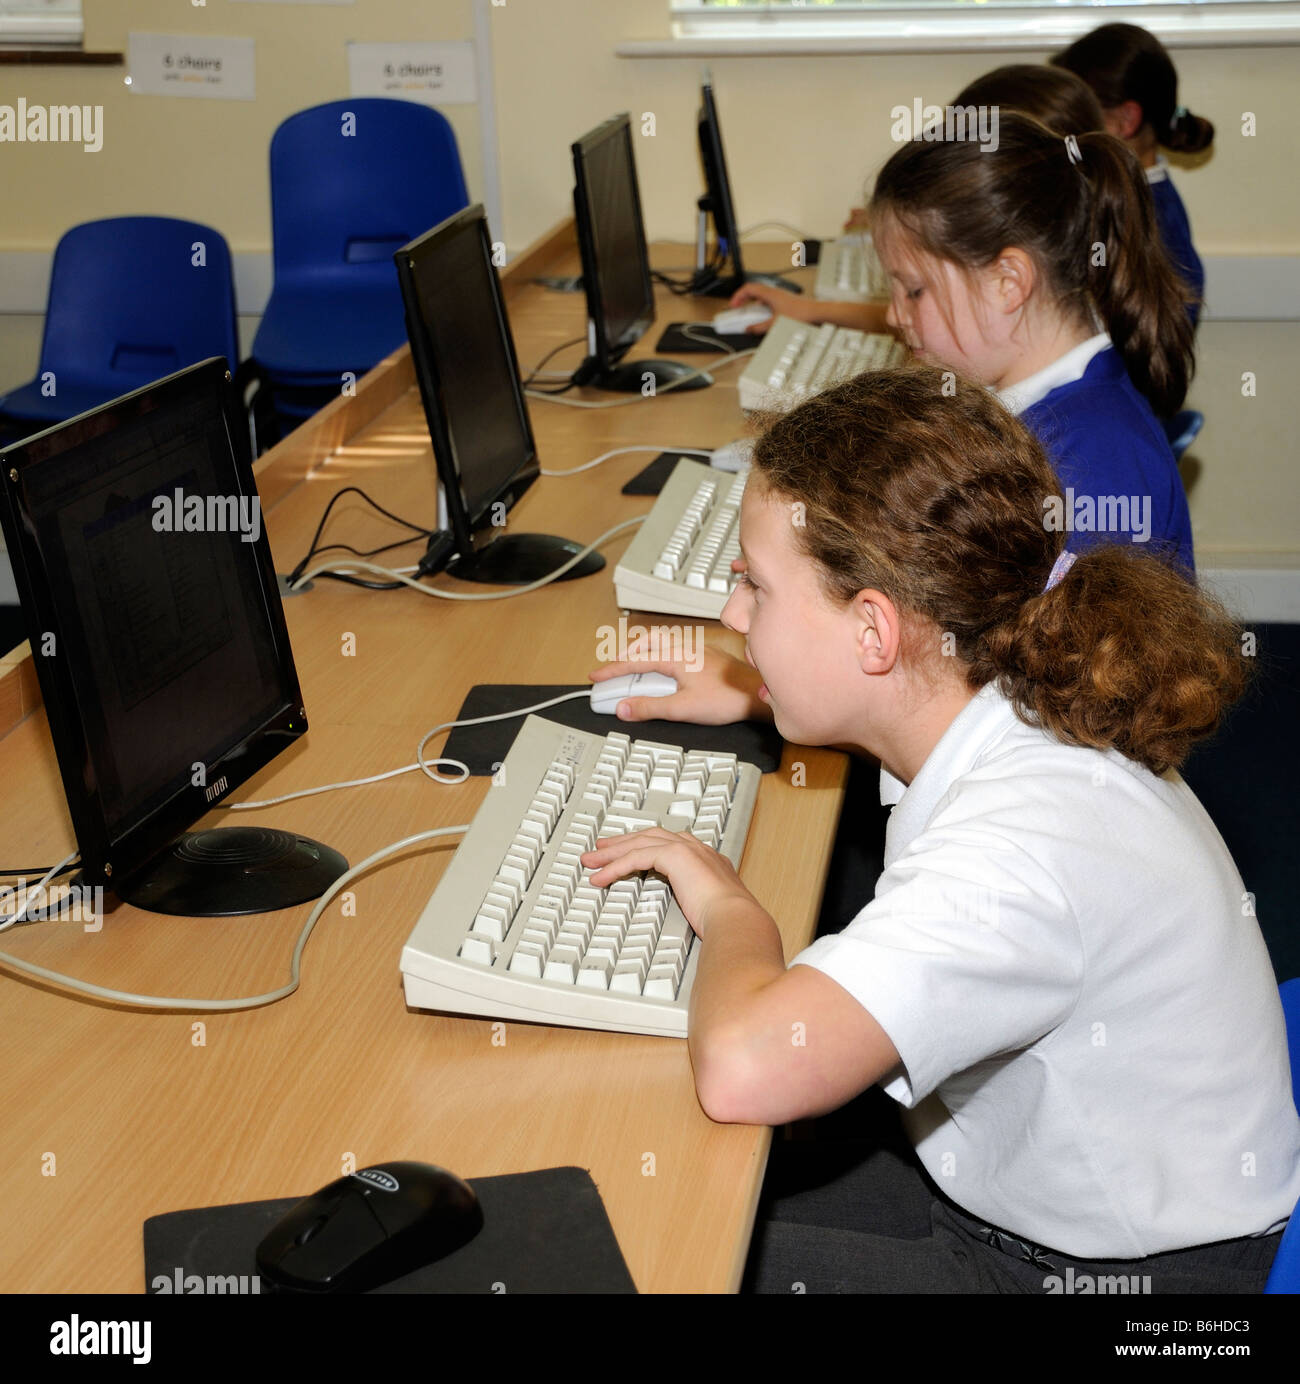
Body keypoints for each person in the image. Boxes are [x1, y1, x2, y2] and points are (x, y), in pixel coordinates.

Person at [584, 367, 1299, 1293]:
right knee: (658, 1184)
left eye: (755, 587)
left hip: (1123, 1288)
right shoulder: (1029, 688)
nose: (731, 615)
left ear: (876, 632)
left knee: (644, 1257)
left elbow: (743, 1069)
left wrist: (730, 908)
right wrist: (765, 693)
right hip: (1035, 1191)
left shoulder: (1019, 851)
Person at [870, 111, 1195, 569]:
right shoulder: (1030, 407)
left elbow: (1047, 640)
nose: (892, 314)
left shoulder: (1091, 467)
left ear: (1008, 282)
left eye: (913, 290)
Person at [1054, 23, 1212, 326]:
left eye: (1075, 116)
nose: (1062, 133)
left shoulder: (1142, 216)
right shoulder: (1141, 198)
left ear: (1125, 120)